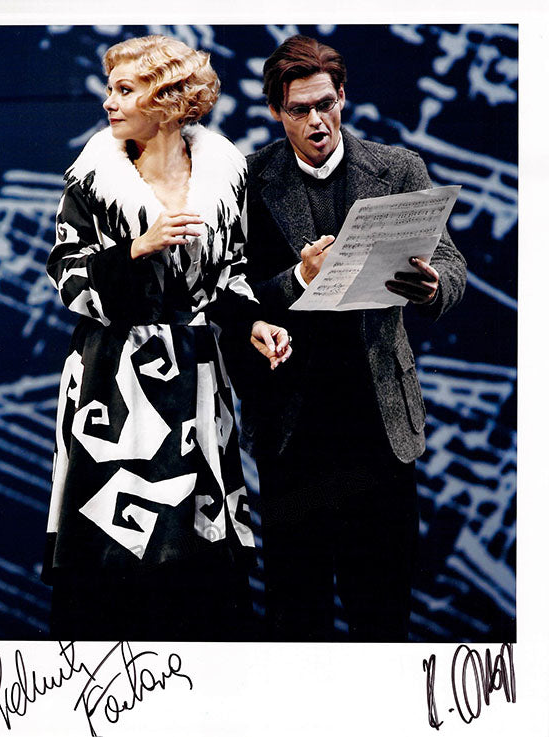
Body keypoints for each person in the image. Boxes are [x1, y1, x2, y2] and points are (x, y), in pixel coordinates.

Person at [41, 34, 291, 641]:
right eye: (110, 89)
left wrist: (254, 322)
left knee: (197, 557)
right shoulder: (93, 180)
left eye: (125, 90)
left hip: (196, 384)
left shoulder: (225, 177)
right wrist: (135, 249)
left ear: (168, 100)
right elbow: (67, 277)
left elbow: (230, 277)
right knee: (111, 548)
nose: (109, 102)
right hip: (112, 384)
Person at [228, 35, 467, 641]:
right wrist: (298, 278)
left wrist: (434, 286)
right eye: (300, 110)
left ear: (343, 97)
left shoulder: (397, 167)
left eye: (326, 104)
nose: (317, 121)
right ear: (276, 111)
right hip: (293, 431)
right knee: (297, 615)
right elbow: (233, 296)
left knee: (382, 612)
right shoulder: (248, 180)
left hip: (378, 426)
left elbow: (450, 262)